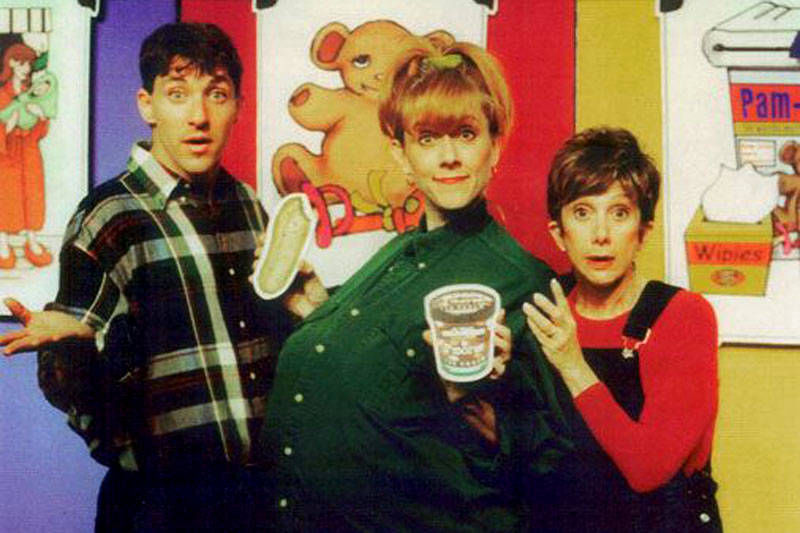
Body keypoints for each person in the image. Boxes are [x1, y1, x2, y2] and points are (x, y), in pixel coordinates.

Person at [256, 40, 564, 531]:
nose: (448, 157)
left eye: (466, 134)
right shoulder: (396, 253)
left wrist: (486, 403)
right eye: (427, 138)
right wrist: (314, 307)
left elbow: (553, 467)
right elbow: (375, 372)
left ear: (495, 146)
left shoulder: (524, 282)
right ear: (401, 154)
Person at [0, 23, 292, 533]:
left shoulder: (249, 206)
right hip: (158, 504)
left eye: (216, 94)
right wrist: (76, 347)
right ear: (147, 105)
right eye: (177, 94)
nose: (198, 116)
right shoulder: (109, 215)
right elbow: (70, 392)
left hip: (256, 499)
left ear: (238, 106)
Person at [522, 127, 721, 532]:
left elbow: (648, 469)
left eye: (619, 213)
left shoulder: (684, 316)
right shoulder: (543, 312)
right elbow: (528, 455)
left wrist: (572, 363)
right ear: (558, 234)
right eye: (582, 213)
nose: (600, 235)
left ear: (643, 231)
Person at [0, 42, 51, 269]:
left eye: (29, 64)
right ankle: (3, 241)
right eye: (22, 63)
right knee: (6, 195)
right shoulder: (2, 94)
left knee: (33, 192)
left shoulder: (34, 92)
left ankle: (32, 239)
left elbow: (42, 130)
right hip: (7, 153)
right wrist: (7, 127)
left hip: (29, 150)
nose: (26, 69)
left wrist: (41, 117)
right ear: (11, 63)